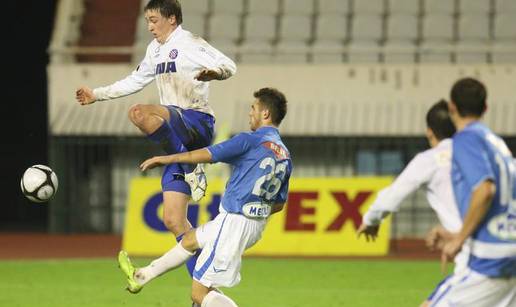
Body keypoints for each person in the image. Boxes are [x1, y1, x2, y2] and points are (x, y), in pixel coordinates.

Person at [75, 0, 237, 277]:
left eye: (154, 20)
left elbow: (228, 64)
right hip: (180, 141)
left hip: (197, 121)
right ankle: (205, 284)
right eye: (148, 21)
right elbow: (134, 81)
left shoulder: (189, 42)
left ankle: (191, 168)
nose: (149, 26)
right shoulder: (154, 50)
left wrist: (216, 73)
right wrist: (97, 94)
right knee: (173, 220)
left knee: (140, 112)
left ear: (172, 19)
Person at [118, 88, 292, 307]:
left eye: (253, 108)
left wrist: (165, 159)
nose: (250, 113)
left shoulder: (250, 140)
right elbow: (279, 203)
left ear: (265, 114)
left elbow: (205, 155)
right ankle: (141, 276)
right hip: (254, 225)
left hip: (234, 221)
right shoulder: (284, 153)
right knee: (189, 241)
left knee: (199, 295)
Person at [356, 100, 469, 306]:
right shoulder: (482, 155)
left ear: (429, 132)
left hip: (478, 261)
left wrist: (371, 218)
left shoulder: (431, 159)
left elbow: (393, 194)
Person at [430, 78, 516, 306]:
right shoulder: (496, 143)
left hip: (491, 256)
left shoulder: (466, 140)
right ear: (485, 108)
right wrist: (461, 235)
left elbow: (485, 190)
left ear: (452, 107)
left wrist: (458, 239)